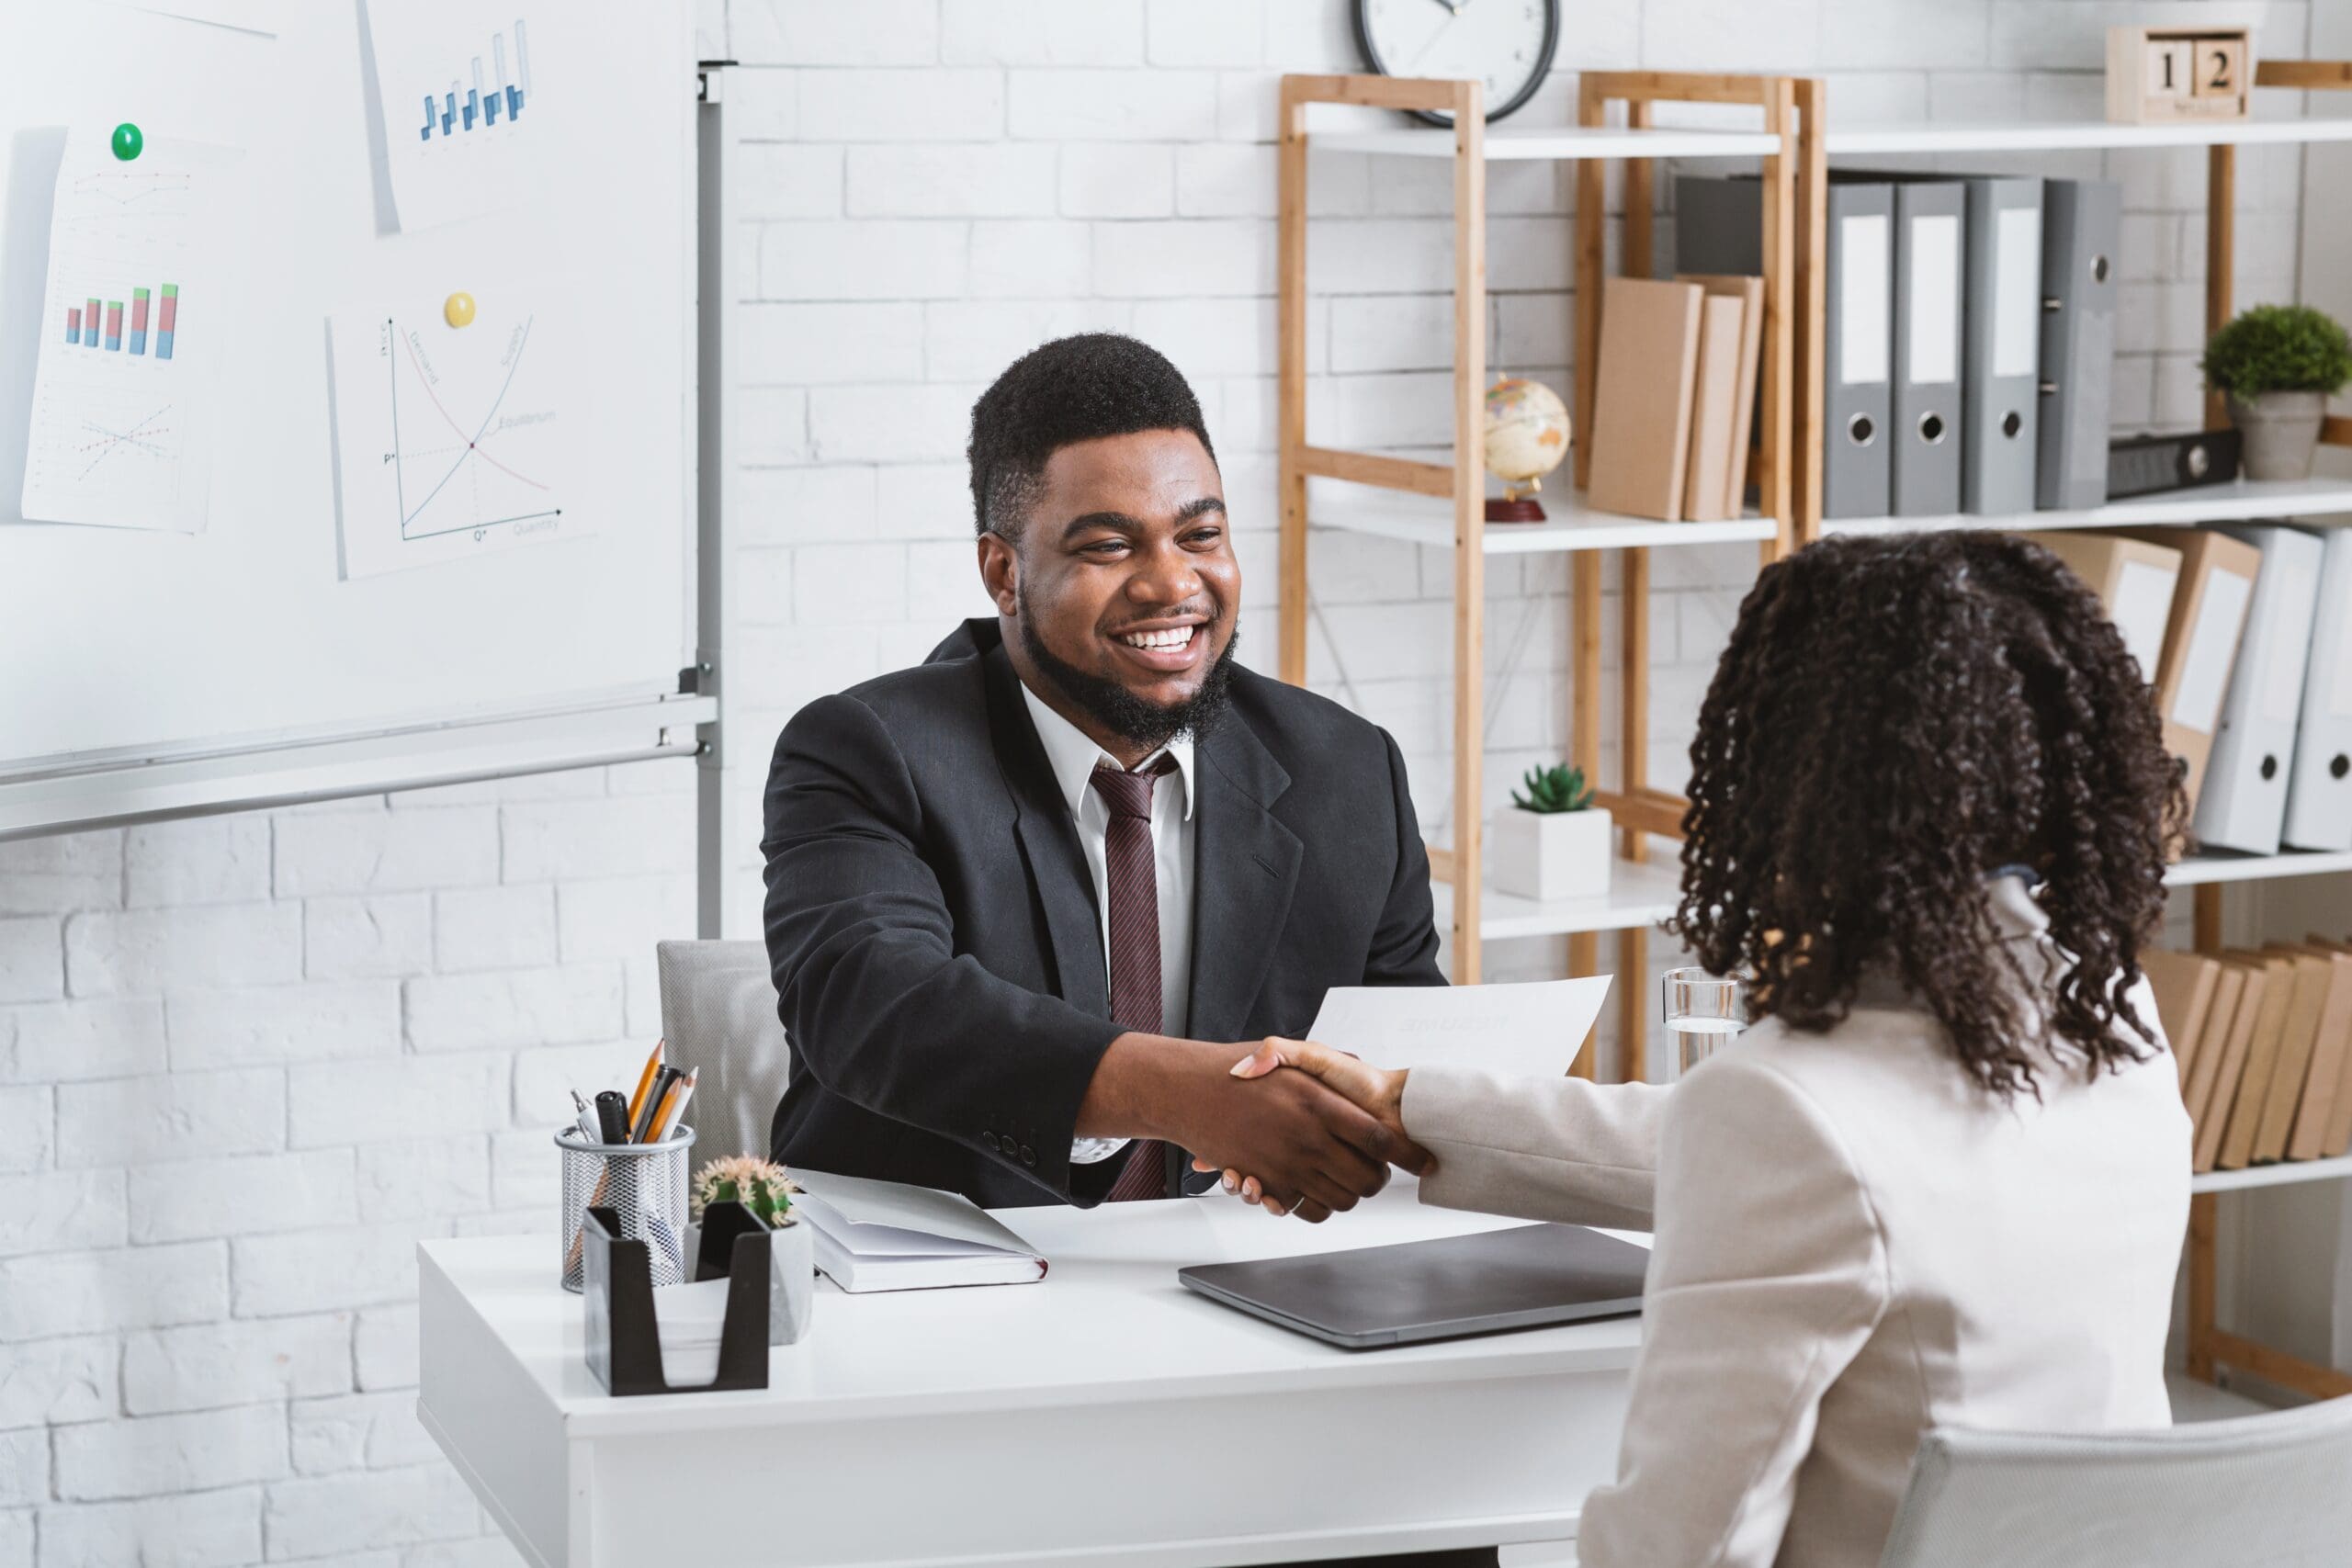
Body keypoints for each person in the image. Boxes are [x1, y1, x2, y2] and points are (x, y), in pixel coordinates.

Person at [1222, 531, 2195, 1568]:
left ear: (1791, 773)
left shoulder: (1789, 1108)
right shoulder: (2112, 1021)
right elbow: (1823, 1168)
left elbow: (1685, 1549)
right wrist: (1413, 1103)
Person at [760, 333, 1442, 1219]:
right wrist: (1194, 1093)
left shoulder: (1347, 769)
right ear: (1005, 572)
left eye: (1201, 534)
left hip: (1258, 1294)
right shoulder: (867, 750)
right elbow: (880, 1005)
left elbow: (1404, 1061)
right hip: (943, 1309)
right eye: (1110, 546)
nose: (1172, 584)